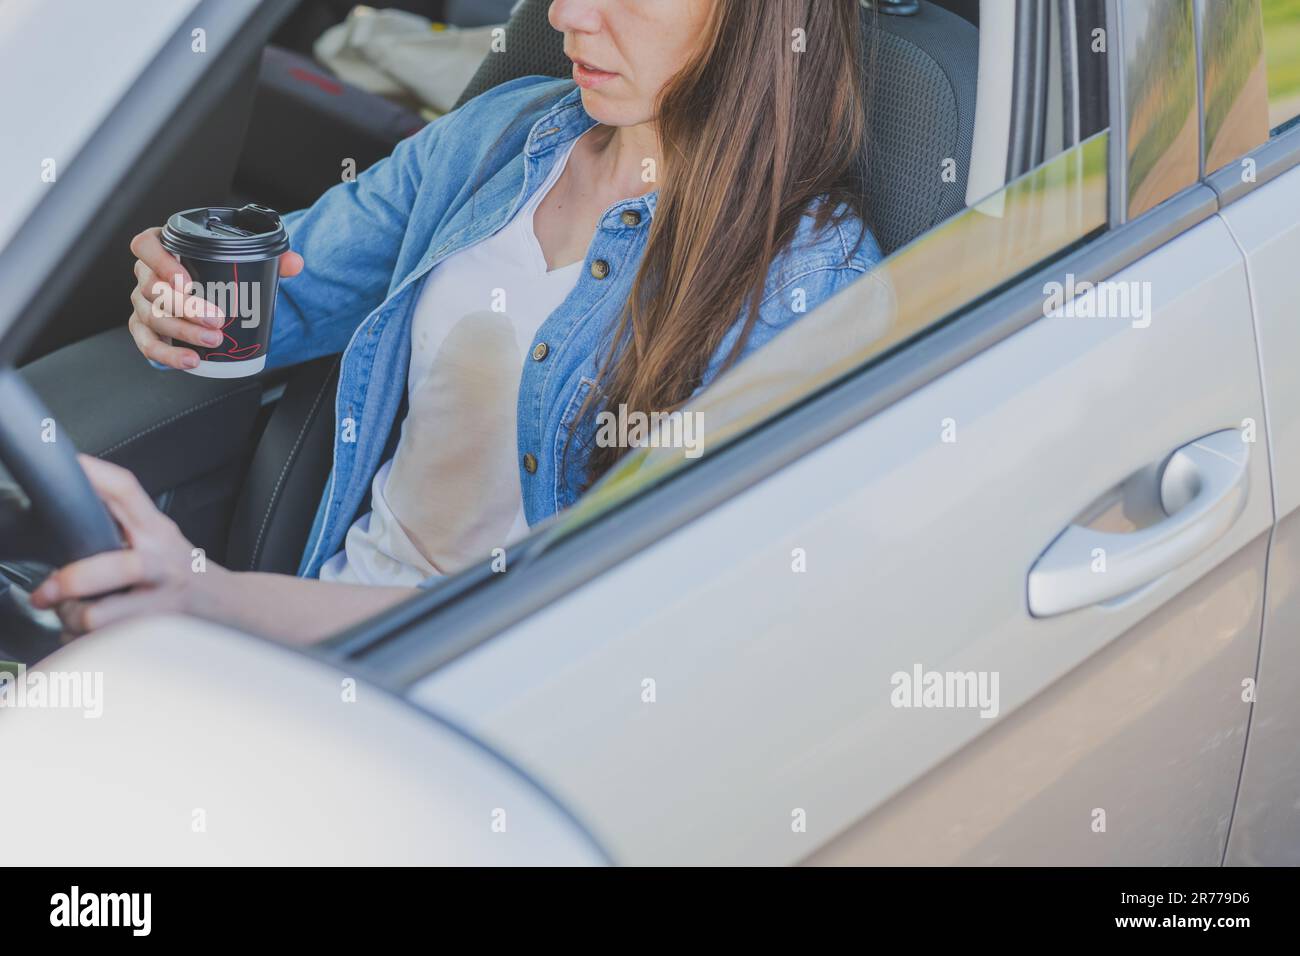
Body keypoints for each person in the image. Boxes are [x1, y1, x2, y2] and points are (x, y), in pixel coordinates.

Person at [33, 0, 880, 642]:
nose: (565, 14)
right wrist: (185, 302)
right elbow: (284, 290)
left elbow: (624, 636)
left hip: (472, 708)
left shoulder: (809, 279)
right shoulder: (500, 136)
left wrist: (205, 596)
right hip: (306, 623)